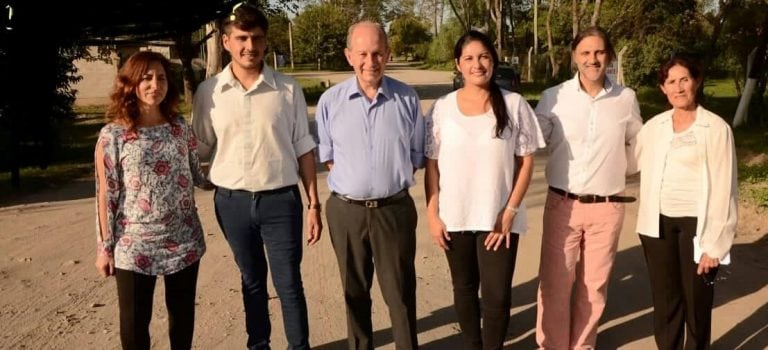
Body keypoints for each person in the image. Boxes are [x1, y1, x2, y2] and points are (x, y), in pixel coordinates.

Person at [191, 4, 321, 350]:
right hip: (232, 204)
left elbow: (304, 149)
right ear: (227, 41)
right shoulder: (209, 93)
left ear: (266, 41)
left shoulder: (288, 90)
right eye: (242, 38)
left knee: (289, 282)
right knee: (251, 281)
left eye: (257, 38)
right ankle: (258, 344)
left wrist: (313, 204)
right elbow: (199, 148)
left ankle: (299, 346)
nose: (250, 46)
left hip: (281, 202)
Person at [424, 30, 545, 350]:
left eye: (484, 57)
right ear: (458, 65)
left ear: (493, 60)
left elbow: (526, 162)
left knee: (497, 296)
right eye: (469, 58)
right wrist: (432, 214)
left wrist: (510, 211)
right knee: (463, 289)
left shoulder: (514, 104)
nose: (477, 64)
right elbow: (432, 165)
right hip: (455, 217)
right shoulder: (442, 108)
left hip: (498, 221)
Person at [315, 21, 425, 350]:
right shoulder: (330, 101)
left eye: (377, 53)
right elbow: (329, 156)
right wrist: (359, 183)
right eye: (362, 53)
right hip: (346, 211)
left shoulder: (406, 98)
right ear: (350, 56)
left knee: (401, 294)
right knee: (355, 292)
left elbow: (416, 154)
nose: (370, 61)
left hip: (394, 210)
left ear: (388, 55)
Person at [534, 26, 643, 349]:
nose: (592, 59)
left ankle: (582, 346)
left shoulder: (626, 98)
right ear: (574, 57)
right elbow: (532, 139)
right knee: (555, 285)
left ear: (608, 56)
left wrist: (617, 169)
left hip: (607, 208)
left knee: (593, 287)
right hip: (562, 205)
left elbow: (637, 144)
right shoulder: (554, 97)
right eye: (585, 53)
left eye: (598, 52)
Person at [94, 51, 209, 350]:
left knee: (182, 320)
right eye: (146, 78)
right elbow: (106, 194)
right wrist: (104, 248)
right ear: (130, 84)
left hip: (183, 240)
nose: (154, 85)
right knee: (133, 326)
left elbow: (199, 175)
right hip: (134, 245)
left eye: (160, 78)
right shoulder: (113, 135)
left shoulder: (179, 127)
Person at [634, 55, 737, 350]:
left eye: (684, 80)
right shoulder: (654, 127)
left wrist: (715, 244)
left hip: (698, 226)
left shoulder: (716, 129)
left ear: (697, 82)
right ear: (663, 88)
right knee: (665, 303)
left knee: (697, 302)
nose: (678, 88)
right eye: (671, 82)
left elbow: (725, 189)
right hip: (658, 225)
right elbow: (629, 162)